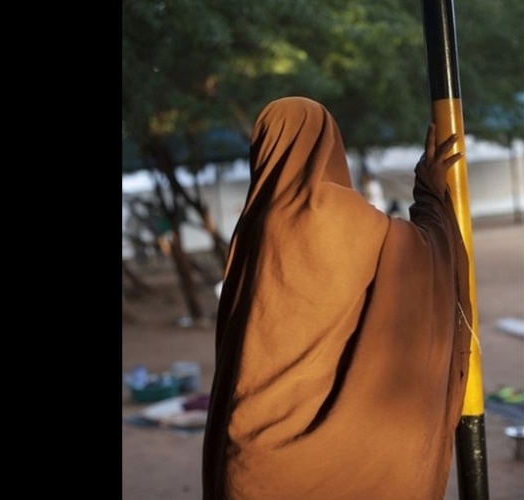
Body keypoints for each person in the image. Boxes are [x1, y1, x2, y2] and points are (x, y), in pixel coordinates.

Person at [202, 96, 472, 499]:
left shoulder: (252, 231)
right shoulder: (335, 212)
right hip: (345, 462)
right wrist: (430, 193)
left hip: (255, 467)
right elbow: (422, 259)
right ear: (328, 144)